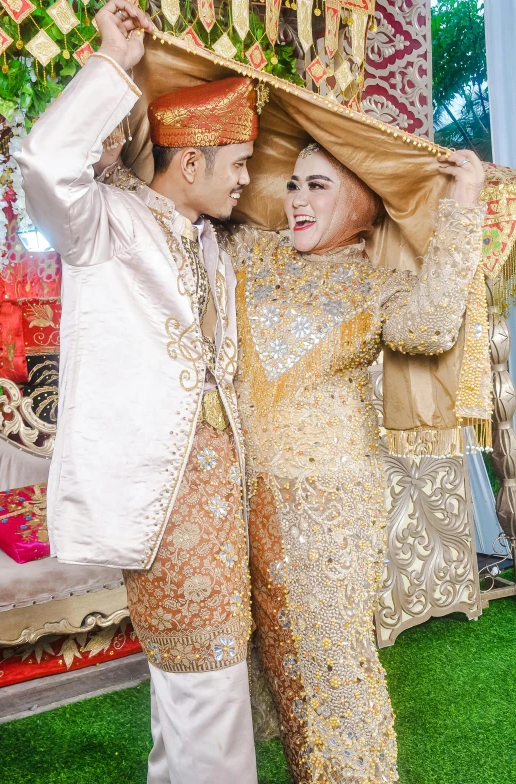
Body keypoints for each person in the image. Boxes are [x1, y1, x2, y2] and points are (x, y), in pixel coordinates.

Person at [14, 2, 260, 782]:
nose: (249, 180)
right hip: (164, 502)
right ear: (190, 163)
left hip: (223, 497)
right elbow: (46, 162)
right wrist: (113, 68)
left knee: (203, 685)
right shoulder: (107, 225)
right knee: (205, 679)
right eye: (239, 163)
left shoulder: (211, 243)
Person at [228, 142, 486, 782]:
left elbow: (427, 327)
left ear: (363, 207)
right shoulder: (253, 253)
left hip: (333, 503)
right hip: (249, 496)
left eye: (318, 186)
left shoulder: (380, 285)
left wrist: (461, 205)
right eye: (292, 186)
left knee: (335, 666)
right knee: (283, 666)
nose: (298, 200)